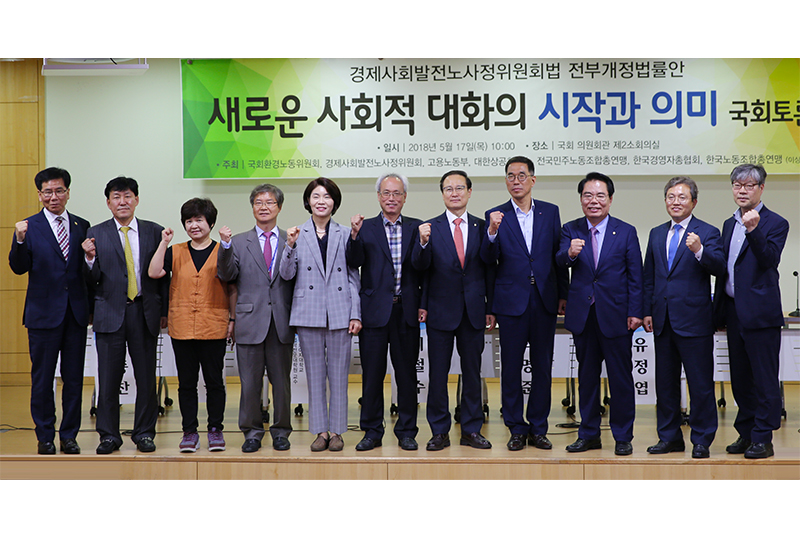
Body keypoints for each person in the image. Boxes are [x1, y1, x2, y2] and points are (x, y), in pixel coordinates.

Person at [480, 156, 568, 451]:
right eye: (510, 176)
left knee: (542, 367)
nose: (515, 181)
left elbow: (558, 258)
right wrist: (492, 232)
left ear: (532, 179)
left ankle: (538, 427)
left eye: (521, 175)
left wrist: (563, 295)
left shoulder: (550, 212)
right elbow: (488, 261)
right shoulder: (496, 215)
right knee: (511, 367)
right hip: (510, 302)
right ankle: (516, 428)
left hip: (544, 300)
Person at [557, 172, 643, 456]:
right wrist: (570, 253)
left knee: (620, 379)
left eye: (600, 196)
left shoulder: (626, 231)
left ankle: (623, 436)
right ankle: (588, 434)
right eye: (588, 195)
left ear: (610, 199)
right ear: (581, 199)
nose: (593, 201)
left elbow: (636, 275)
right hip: (584, 316)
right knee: (587, 378)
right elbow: (558, 263)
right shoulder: (570, 229)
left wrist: (636, 311)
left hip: (617, 315)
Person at [83, 176, 168, 454]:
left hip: (144, 313)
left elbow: (163, 277)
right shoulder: (95, 233)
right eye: (116, 197)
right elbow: (90, 279)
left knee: (146, 379)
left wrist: (164, 311)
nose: (123, 202)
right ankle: (109, 436)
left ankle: (144, 433)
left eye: (128, 196)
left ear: (137, 200)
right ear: (108, 203)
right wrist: (89, 259)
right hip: (109, 314)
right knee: (108, 380)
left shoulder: (154, 231)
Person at [9, 167, 91, 455]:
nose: (53, 196)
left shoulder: (82, 225)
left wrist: (90, 259)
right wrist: (19, 240)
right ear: (39, 195)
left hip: (75, 315)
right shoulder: (28, 227)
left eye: (59, 191)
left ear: (68, 192)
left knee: (74, 379)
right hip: (43, 315)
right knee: (43, 380)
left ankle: (69, 436)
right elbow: (18, 267)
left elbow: (85, 272)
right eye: (48, 192)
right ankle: (45, 436)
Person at [412, 170, 495, 451]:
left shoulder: (482, 227)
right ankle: (439, 431)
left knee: (472, 373)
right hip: (439, 310)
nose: (454, 193)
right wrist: (423, 244)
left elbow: (490, 268)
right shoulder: (429, 228)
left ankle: (471, 429)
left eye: (460, 188)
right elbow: (421, 269)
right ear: (442, 194)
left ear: (469, 192)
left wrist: (490, 307)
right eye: (448, 188)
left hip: (473, 310)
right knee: (438, 374)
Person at [642, 177, 725, 458]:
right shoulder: (656, 233)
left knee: (700, 385)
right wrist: (647, 311)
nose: (675, 202)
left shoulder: (708, 232)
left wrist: (699, 250)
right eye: (671, 197)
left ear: (694, 202)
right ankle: (669, 437)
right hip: (662, 321)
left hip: (695, 321)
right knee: (665, 385)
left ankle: (701, 439)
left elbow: (720, 268)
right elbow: (649, 277)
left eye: (682, 197)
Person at [279, 178, 361, 452]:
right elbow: (286, 275)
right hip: (308, 312)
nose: (321, 201)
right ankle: (320, 432)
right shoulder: (296, 234)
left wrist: (355, 314)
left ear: (334, 202)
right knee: (314, 377)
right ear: (308, 202)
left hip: (340, 311)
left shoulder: (345, 233)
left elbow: (353, 277)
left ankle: (337, 431)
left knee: (339, 377)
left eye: (327, 196)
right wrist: (289, 246)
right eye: (316, 196)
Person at [714, 164, 789, 459]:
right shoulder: (728, 224)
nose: (742, 190)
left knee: (764, 379)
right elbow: (726, 270)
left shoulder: (776, 222)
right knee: (741, 378)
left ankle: (763, 438)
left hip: (761, 314)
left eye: (748, 185)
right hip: (734, 312)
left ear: (761, 188)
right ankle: (746, 433)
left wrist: (754, 230)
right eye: (737, 185)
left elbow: (769, 260)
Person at [148, 198, 233, 453]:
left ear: (210, 223)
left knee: (214, 382)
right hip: (182, 326)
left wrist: (232, 319)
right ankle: (189, 431)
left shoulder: (222, 250)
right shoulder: (175, 251)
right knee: (186, 383)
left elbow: (232, 285)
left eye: (199, 220)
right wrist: (163, 242)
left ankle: (215, 429)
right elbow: (154, 272)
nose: (194, 225)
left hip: (213, 325)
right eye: (189, 221)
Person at [346, 173, 424, 452]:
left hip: (406, 310)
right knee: (372, 375)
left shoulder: (417, 227)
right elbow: (353, 262)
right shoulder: (365, 228)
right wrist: (354, 236)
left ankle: (407, 431)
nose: (392, 198)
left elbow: (424, 269)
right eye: (386, 193)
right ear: (379, 196)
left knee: (406, 376)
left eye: (397, 193)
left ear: (405, 197)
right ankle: (372, 431)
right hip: (374, 312)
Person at [217, 184, 296, 452]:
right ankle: (251, 433)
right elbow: (226, 275)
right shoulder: (238, 242)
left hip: (281, 321)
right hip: (249, 322)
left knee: (281, 384)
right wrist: (225, 246)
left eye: (270, 202)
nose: (264, 207)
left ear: (279, 207)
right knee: (249, 384)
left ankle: (281, 431)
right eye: (258, 202)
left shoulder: (291, 239)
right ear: (252, 208)